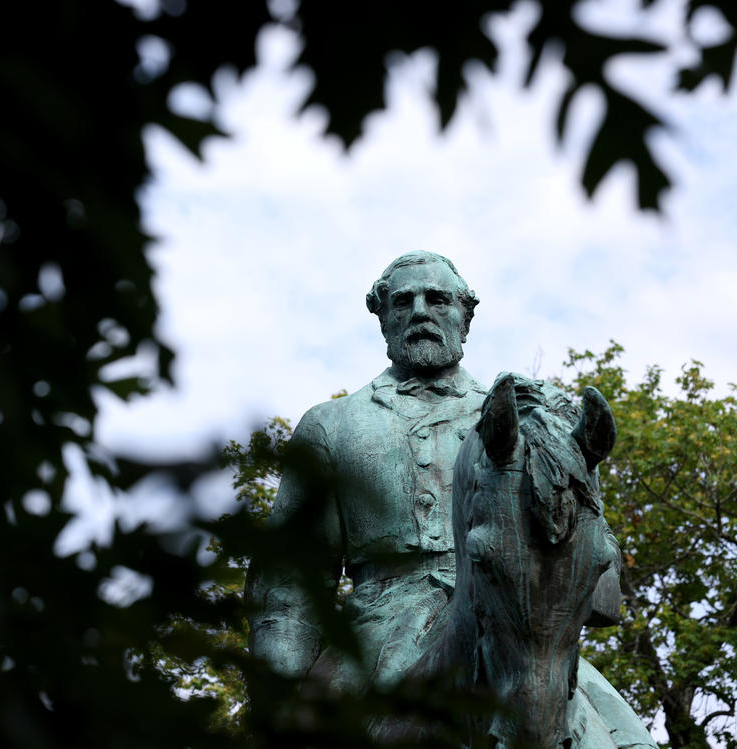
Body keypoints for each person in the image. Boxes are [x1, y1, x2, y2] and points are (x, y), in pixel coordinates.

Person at [245, 251, 654, 747]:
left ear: (466, 314)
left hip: (517, 625)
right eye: (403, 302)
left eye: (437, 299)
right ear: (382, 318)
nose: (420, 311)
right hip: (378, 630)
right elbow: (290, 583)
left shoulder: (533, 421)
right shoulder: (330, 426)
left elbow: (592, 554)